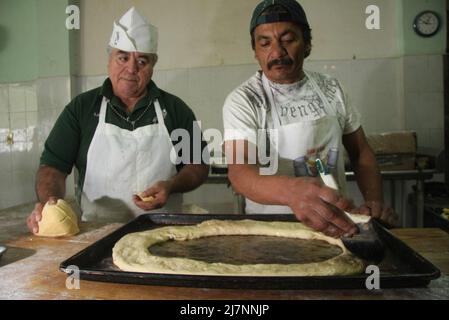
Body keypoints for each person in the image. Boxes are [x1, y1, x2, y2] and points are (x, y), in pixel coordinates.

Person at [223, 0, 398, 238]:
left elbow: (361, 152)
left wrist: (374, 202)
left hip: (337, 226)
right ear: (255, 51)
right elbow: (239, 171)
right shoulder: (244, 99)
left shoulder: (331, 89)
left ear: (307, 44)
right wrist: (292, 192)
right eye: (265, 43)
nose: (277, 53)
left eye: (288, 40)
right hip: (270, 230)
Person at [27, 7, 209, 232]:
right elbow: (52, 167)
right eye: (122, 57)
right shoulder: (81, 109)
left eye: (142, 61)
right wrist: (50, 202)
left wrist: (171, 186)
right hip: (96, 233)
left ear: (153, 66)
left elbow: (198, 165)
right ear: (109, 60)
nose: (131, 69)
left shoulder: (175, 109)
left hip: (165, 231)